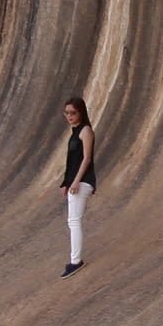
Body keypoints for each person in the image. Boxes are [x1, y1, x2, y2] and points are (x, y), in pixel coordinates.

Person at [57, 95, 100, 276]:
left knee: (74, 221)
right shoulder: (75, 132)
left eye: (73, 113)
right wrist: (65, 183)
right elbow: (72, 162)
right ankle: (75, 260)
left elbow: (86, 158)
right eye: (67, 113)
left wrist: (75, 182)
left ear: (81, 112)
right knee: (73, 221)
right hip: (75, 182)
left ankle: (75, 261)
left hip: (83, 181)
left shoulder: (85, 131)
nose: (69, 116)